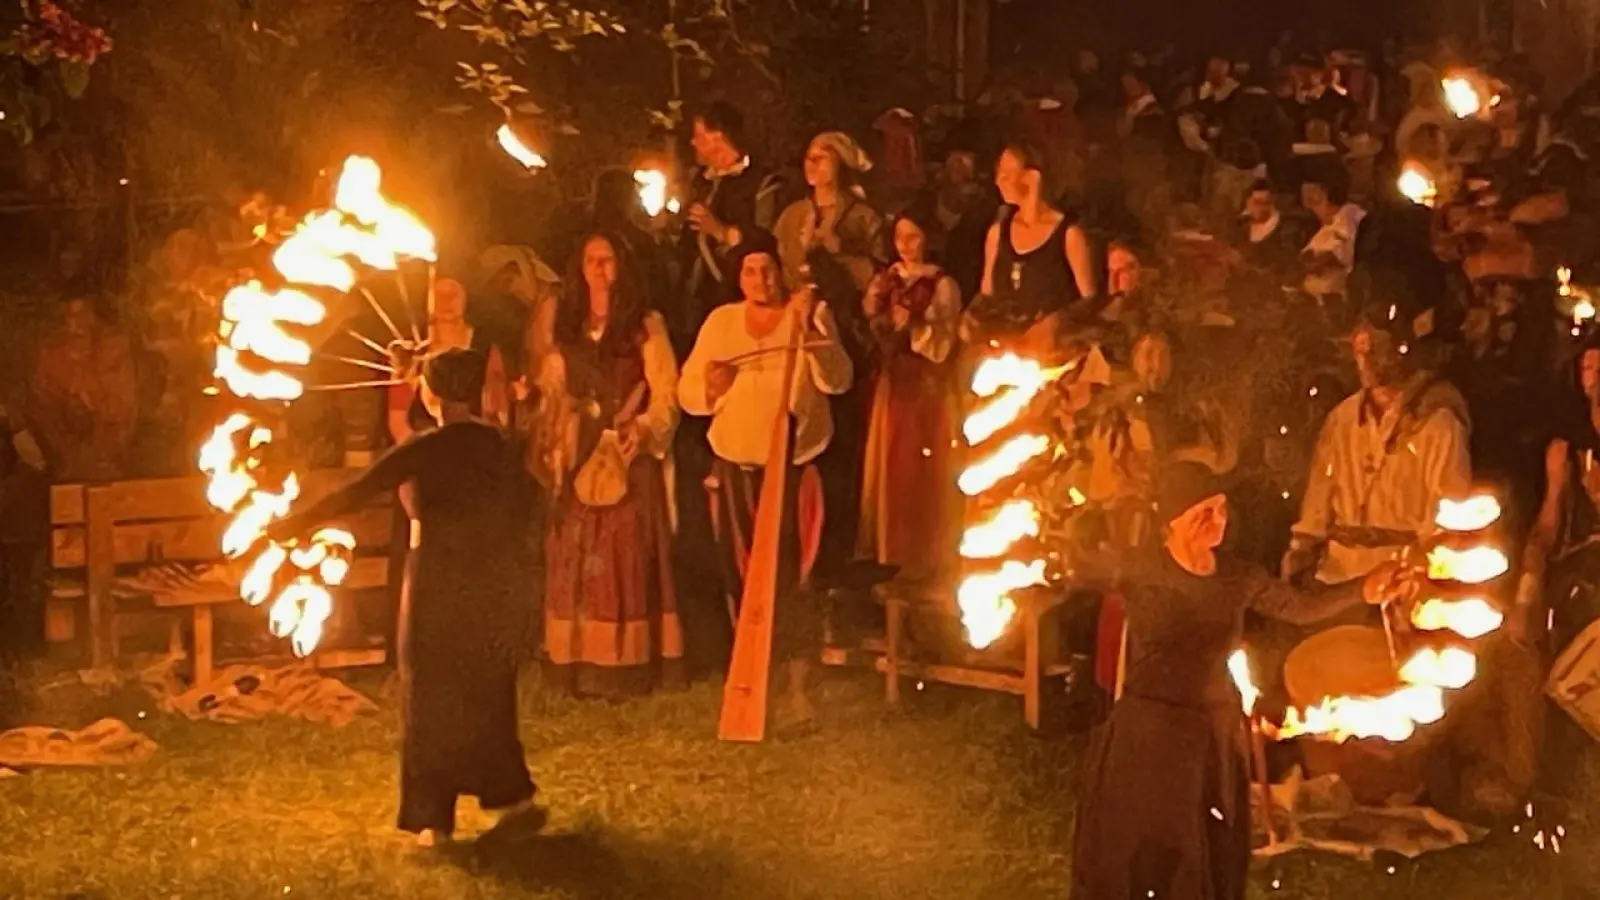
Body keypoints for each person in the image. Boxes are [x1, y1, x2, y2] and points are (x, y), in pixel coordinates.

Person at [1072, 462, 1403, 900]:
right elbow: (1079, 567)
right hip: (1149, 731)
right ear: (1173, 521)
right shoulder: (1141, 569)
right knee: (1143, 841)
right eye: (1203, 513)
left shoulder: (1238, 577)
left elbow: (1300, 607)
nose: (1219, 521)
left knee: (1203, 842)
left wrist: (1364, 589)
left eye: (1222, 509)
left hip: (1211, 731)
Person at [267, 348, 537, 848]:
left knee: (429, 694)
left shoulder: (424, 448)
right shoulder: (500, 443)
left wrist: (292, 524)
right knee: (487, 688)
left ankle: (433, 819)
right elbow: (528, 502)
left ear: (432, 393)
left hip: (438, 578)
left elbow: (359, 488)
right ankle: (512, 798)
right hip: (491, 579)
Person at [678, 229, 853, 728]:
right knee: (743, 577)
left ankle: (799, 691)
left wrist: (811, 333)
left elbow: (839, 380)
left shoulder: (809, 314)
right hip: (736, 469)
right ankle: (754, 683)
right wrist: (711, 386)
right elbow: (688, 393)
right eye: (751, 271)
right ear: (740, 278)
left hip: (793, 469)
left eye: (768, 270)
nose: (761, 280)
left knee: (795, 579)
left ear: (781, 272)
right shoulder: (723, 322)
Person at [537, 234, 683, 698]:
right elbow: (554, 391)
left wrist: (645, 427)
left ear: (622, 267)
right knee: (574, 556)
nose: (600, 269)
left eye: (608, 260)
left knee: (626, 555)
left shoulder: (644, 326)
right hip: (579, 452)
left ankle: (625, 666)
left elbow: (666, 391)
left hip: (627, 453)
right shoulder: (568, 327)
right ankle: (577, 665)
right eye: (591, 261)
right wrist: (554, 427)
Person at [1283, 305, 1472, 588]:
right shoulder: (1342, 419)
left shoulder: (1436, 421)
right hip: (1338, 576)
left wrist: (1424, 565)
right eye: (1361, 349)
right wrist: (1302, 547)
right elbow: (1319, 496)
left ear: (1402, 350)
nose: (1367, 359)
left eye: (1377, 348)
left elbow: (1449, 507)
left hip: (1401, 578)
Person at [773, 131, 887, 576]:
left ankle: (838, 550)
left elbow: (879, 278)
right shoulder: (791, 217)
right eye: (809, 156)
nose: (813, 164)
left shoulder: (862, 217)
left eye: (823, 157)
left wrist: (842, 255)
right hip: (797, 330)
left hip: (845, 337)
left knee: (841, 442)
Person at [858, 208, 962, 580]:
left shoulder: (941, 285)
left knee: (918, 463)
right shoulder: (887, 279)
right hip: (892, 381)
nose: (904, 245)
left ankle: (925, 551)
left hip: (925, 385)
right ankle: (891, 549)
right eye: (899, 236)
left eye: (913, 236)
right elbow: (873, 322)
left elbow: (944, 343)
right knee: (889, 462)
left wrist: (916, 326)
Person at [674, 102, 784, 355]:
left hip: (735, 298)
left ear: (718, 136)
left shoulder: (763, 182)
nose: (693, 142)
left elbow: (767, 239)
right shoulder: (700, 183)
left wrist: (720, 232)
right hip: (695, 306)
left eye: (699, 134)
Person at [967, 141, 1099, 347]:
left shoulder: (1069, 235)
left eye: (1007, 174)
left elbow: (1090, 301)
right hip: (1005, 350)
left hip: (1049, 353)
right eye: (998, 173)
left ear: (1032, 176)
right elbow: (986, 293)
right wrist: (971, 315)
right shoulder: (997, 233)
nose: (998, 181)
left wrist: (1056, 321)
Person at [28, 294, 137, 482]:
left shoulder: (115, 352)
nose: (77, 324)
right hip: (65, 462)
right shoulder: (51, 359)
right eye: (71, 317)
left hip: (110, 461)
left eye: (84, 315)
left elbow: (124, 409)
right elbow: (46, 414)